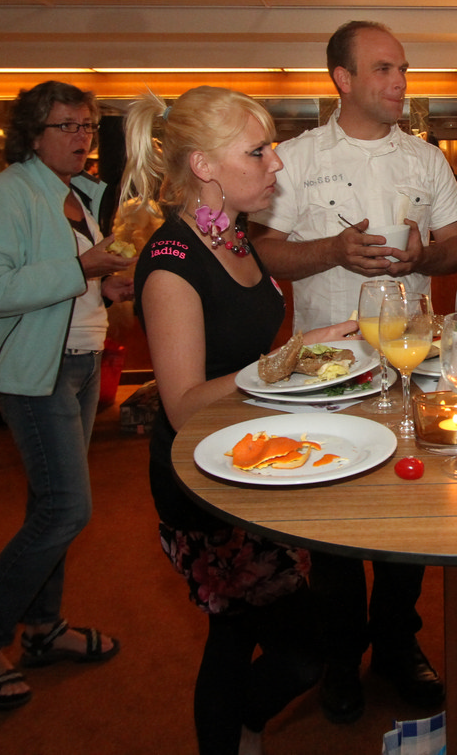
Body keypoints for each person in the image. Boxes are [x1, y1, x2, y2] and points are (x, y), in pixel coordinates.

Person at [123, 86, 360, 754]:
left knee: (248, 637)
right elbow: (182, 403)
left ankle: (239, 730)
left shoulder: (232, 236)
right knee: (291, 646)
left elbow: (247, 360)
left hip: (251, 460)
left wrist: (307, 369)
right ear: (203, 166)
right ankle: (237, 730)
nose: (275, 163)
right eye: (257, 151)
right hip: (202, 485)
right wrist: (289, 359)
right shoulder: (171, 264)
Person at [250, 20, 457, 722]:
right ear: (341, 79)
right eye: (382, 69)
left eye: (403, 68)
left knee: (412, 509)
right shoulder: (294, 160)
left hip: (412, 364)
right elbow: (265, 252)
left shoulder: (426, 160)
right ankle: (341, 655)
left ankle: (398, 643)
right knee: (335, 512)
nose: (399, 81)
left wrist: (423, 257)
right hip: (330, 372)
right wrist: (333, 251)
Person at [0, 81, 132, 711]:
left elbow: (66, 280)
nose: (82, 137)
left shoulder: (76, 194)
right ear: (32, 134)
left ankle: (43, 629)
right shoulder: (9, 193)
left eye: (87, 125)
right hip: (34, 370)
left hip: (79, 361)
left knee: (49, 504)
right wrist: (84, 270)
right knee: (66, 509)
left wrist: (104, 287)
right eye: (67, 126)